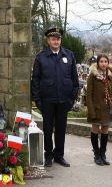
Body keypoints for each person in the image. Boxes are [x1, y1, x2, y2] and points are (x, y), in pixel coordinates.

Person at [31, 27, 79, 167]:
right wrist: (37, 100)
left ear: (60, 40)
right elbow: (36, 80)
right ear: (48, 40)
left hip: (64, 100)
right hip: (47, 100)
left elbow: (74, 79)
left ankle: (59, 155)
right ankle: (48, 155)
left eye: (58, 38)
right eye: (53, 38)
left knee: (61, 129)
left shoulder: (69, 55)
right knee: (47, 129)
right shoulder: (41, 57)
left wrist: (72, 98)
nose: (56, 41)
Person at [86, 54, 112, 166]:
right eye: (101, 61)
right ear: (98, 63)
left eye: (106, 61)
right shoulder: (93, 76)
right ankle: (96, 154)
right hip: (96, 108)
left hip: (108, 108)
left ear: (108, 63)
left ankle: (103, 154)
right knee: (95, 129)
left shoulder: (111, 76)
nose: (104, 63)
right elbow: (89, 94)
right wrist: (91, 110)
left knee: (105, 130)